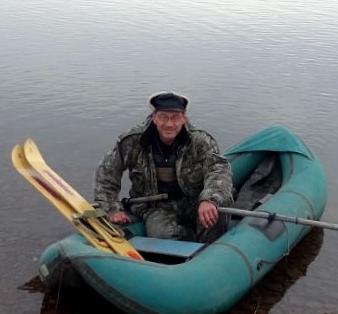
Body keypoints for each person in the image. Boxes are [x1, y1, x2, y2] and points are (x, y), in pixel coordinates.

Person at [94, 91, 234, 242]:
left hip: (194, 200)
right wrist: (112, 208)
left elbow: (219, 170)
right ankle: (188, 243)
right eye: (163, 117)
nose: (169, 124)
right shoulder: (132, 141)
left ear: (184, 118)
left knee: (219, 207)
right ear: (154, 117)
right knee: (162, 235)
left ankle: (210, 247)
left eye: (175, 118)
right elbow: (106, 174)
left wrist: (209, 199)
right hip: (154, 206)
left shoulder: (200, 141)